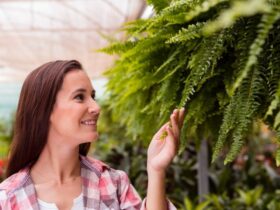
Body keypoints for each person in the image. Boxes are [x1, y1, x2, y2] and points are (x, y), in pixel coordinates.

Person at [0, 60, 185, 210]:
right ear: (45, 109)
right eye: (79, 97)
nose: (96, 107)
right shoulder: (8, 198)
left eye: (93, 96)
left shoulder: (113, 183)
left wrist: (156, 171)